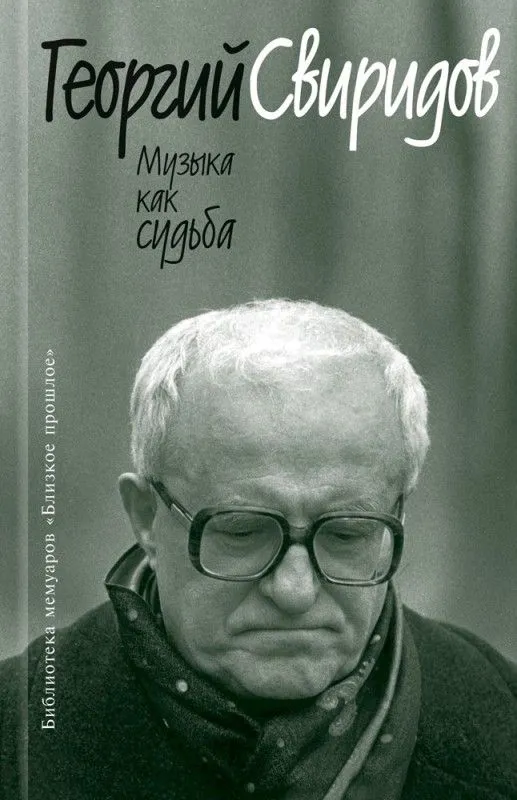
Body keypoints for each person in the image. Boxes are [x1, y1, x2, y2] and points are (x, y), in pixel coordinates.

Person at [2, 299, 516, 800]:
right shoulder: (14, 735)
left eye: (347, 534)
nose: (294, 591)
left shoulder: (504, 721)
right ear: (146, 517)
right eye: (243, 532)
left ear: (397, 518)